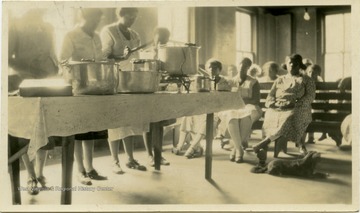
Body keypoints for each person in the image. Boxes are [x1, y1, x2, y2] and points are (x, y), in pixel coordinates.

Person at [8, 8, 59, 195]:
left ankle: (40, 174)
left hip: (47, 81)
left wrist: (55, 69)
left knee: (45, 129)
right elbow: (7, 58)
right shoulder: (15, 27)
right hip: (25, 82)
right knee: (27, 131)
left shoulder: (48, 27)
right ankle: (30, 177)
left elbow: (53, 53)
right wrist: (29, 67)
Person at [60, 8, 108, 185]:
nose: (96, 23)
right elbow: (62, 60)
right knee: (79, 131)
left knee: (91, 129)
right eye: (93, 19)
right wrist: (77, 70)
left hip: (94, 87)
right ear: (83, 17)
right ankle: (80, 171)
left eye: (98, 20)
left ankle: (90, 168)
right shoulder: (71, 35)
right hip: (77, 88)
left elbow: (100, 57)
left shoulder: (96, 36)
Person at [101, 8, 147, 172]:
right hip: (115, 80)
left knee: (130, 120)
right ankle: (114, 161)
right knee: (115, 121)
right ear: (120, 14)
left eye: (135, 17)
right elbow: (103, 58)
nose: (132, 20)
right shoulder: (109, 31)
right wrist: (122, 57)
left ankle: (130, 159)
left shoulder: (134, 34)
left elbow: (137, 58)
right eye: (129, 17)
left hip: (132, 81)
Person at [252, 54, 316, 166]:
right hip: (278, 108)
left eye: (295, 64)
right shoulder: (280, 80)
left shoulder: (306, 80)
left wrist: (294, 103)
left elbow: (310, 97)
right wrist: (274, 104)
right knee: (269, 115)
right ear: (286, 65)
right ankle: (264, 150)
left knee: (289, 117)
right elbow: (270, 96)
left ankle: (264, 143)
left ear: (299, 65)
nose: (292, 66)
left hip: (298, 109)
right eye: (289, 63)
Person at [216, 58, 262, 163]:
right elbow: (226, 97)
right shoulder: (230, 81)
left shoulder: (253, 82)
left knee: (247, 115)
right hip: (234, 107)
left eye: (245, 67)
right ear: (238, 66)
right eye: (241, 66)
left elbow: (256, 100)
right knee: (232, 115)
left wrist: (241, 100)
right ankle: (239, 149)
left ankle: (235, 149)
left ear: (248, 68)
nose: (242, 68)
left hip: (249, 106)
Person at [306, 64, 326, 143]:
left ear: (318, 74)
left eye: (313, 73)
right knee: (310, 115)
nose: (311, 74)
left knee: (313, 115)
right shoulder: (307, 80)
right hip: (312, 105)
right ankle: (311, 137)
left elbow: (323, 95)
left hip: (319, 105)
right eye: (309, 72)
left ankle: (321, 133)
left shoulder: (319, 81)